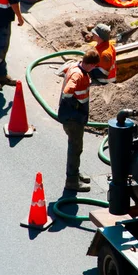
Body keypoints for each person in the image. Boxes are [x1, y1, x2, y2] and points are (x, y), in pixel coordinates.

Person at [58, 49, 100, 192]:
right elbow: (67, 92)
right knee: (75, 149)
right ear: (91, 65)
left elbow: (63, 70)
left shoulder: (75, 66)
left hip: (73, 118)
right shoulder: (78, 74)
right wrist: (74, 106)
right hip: (73, 119)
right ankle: (71, 181)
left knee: (77, 148)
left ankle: (75, 174)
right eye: (94, 66)